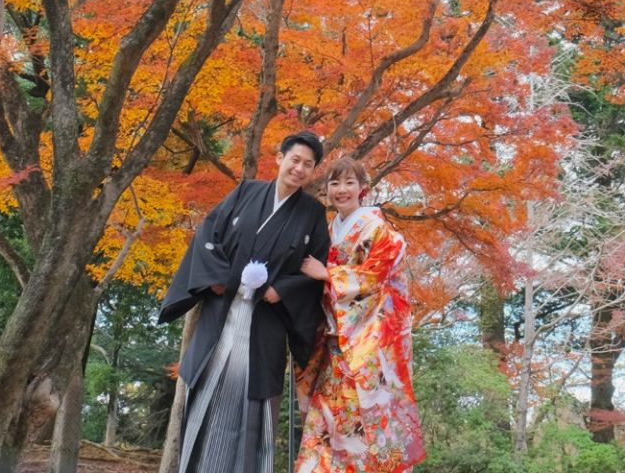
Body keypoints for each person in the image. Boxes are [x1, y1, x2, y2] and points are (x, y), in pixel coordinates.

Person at [160, 131, 333, 473]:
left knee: (254, 410)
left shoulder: (312, 213)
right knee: (206, 396)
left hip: (267, 321)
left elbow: (317, 268)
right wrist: (220, 280)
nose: (299, 169)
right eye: (294, 160)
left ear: (313, 171)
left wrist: (282, 289)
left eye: (308, 165)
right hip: (223, 313)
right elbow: (208, 236)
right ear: (279, 158)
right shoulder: (245, 192)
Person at [292, 155, 426, 473]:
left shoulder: (379, 230)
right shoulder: (328, 231)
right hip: (333, 344)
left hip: (366, 345)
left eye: (349, 182)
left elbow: (374, 277)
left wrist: (327, 274)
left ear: (363, 188)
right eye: (334, 183)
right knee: (326, 422)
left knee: (361, 423)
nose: (341, 189)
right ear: (326, 190)